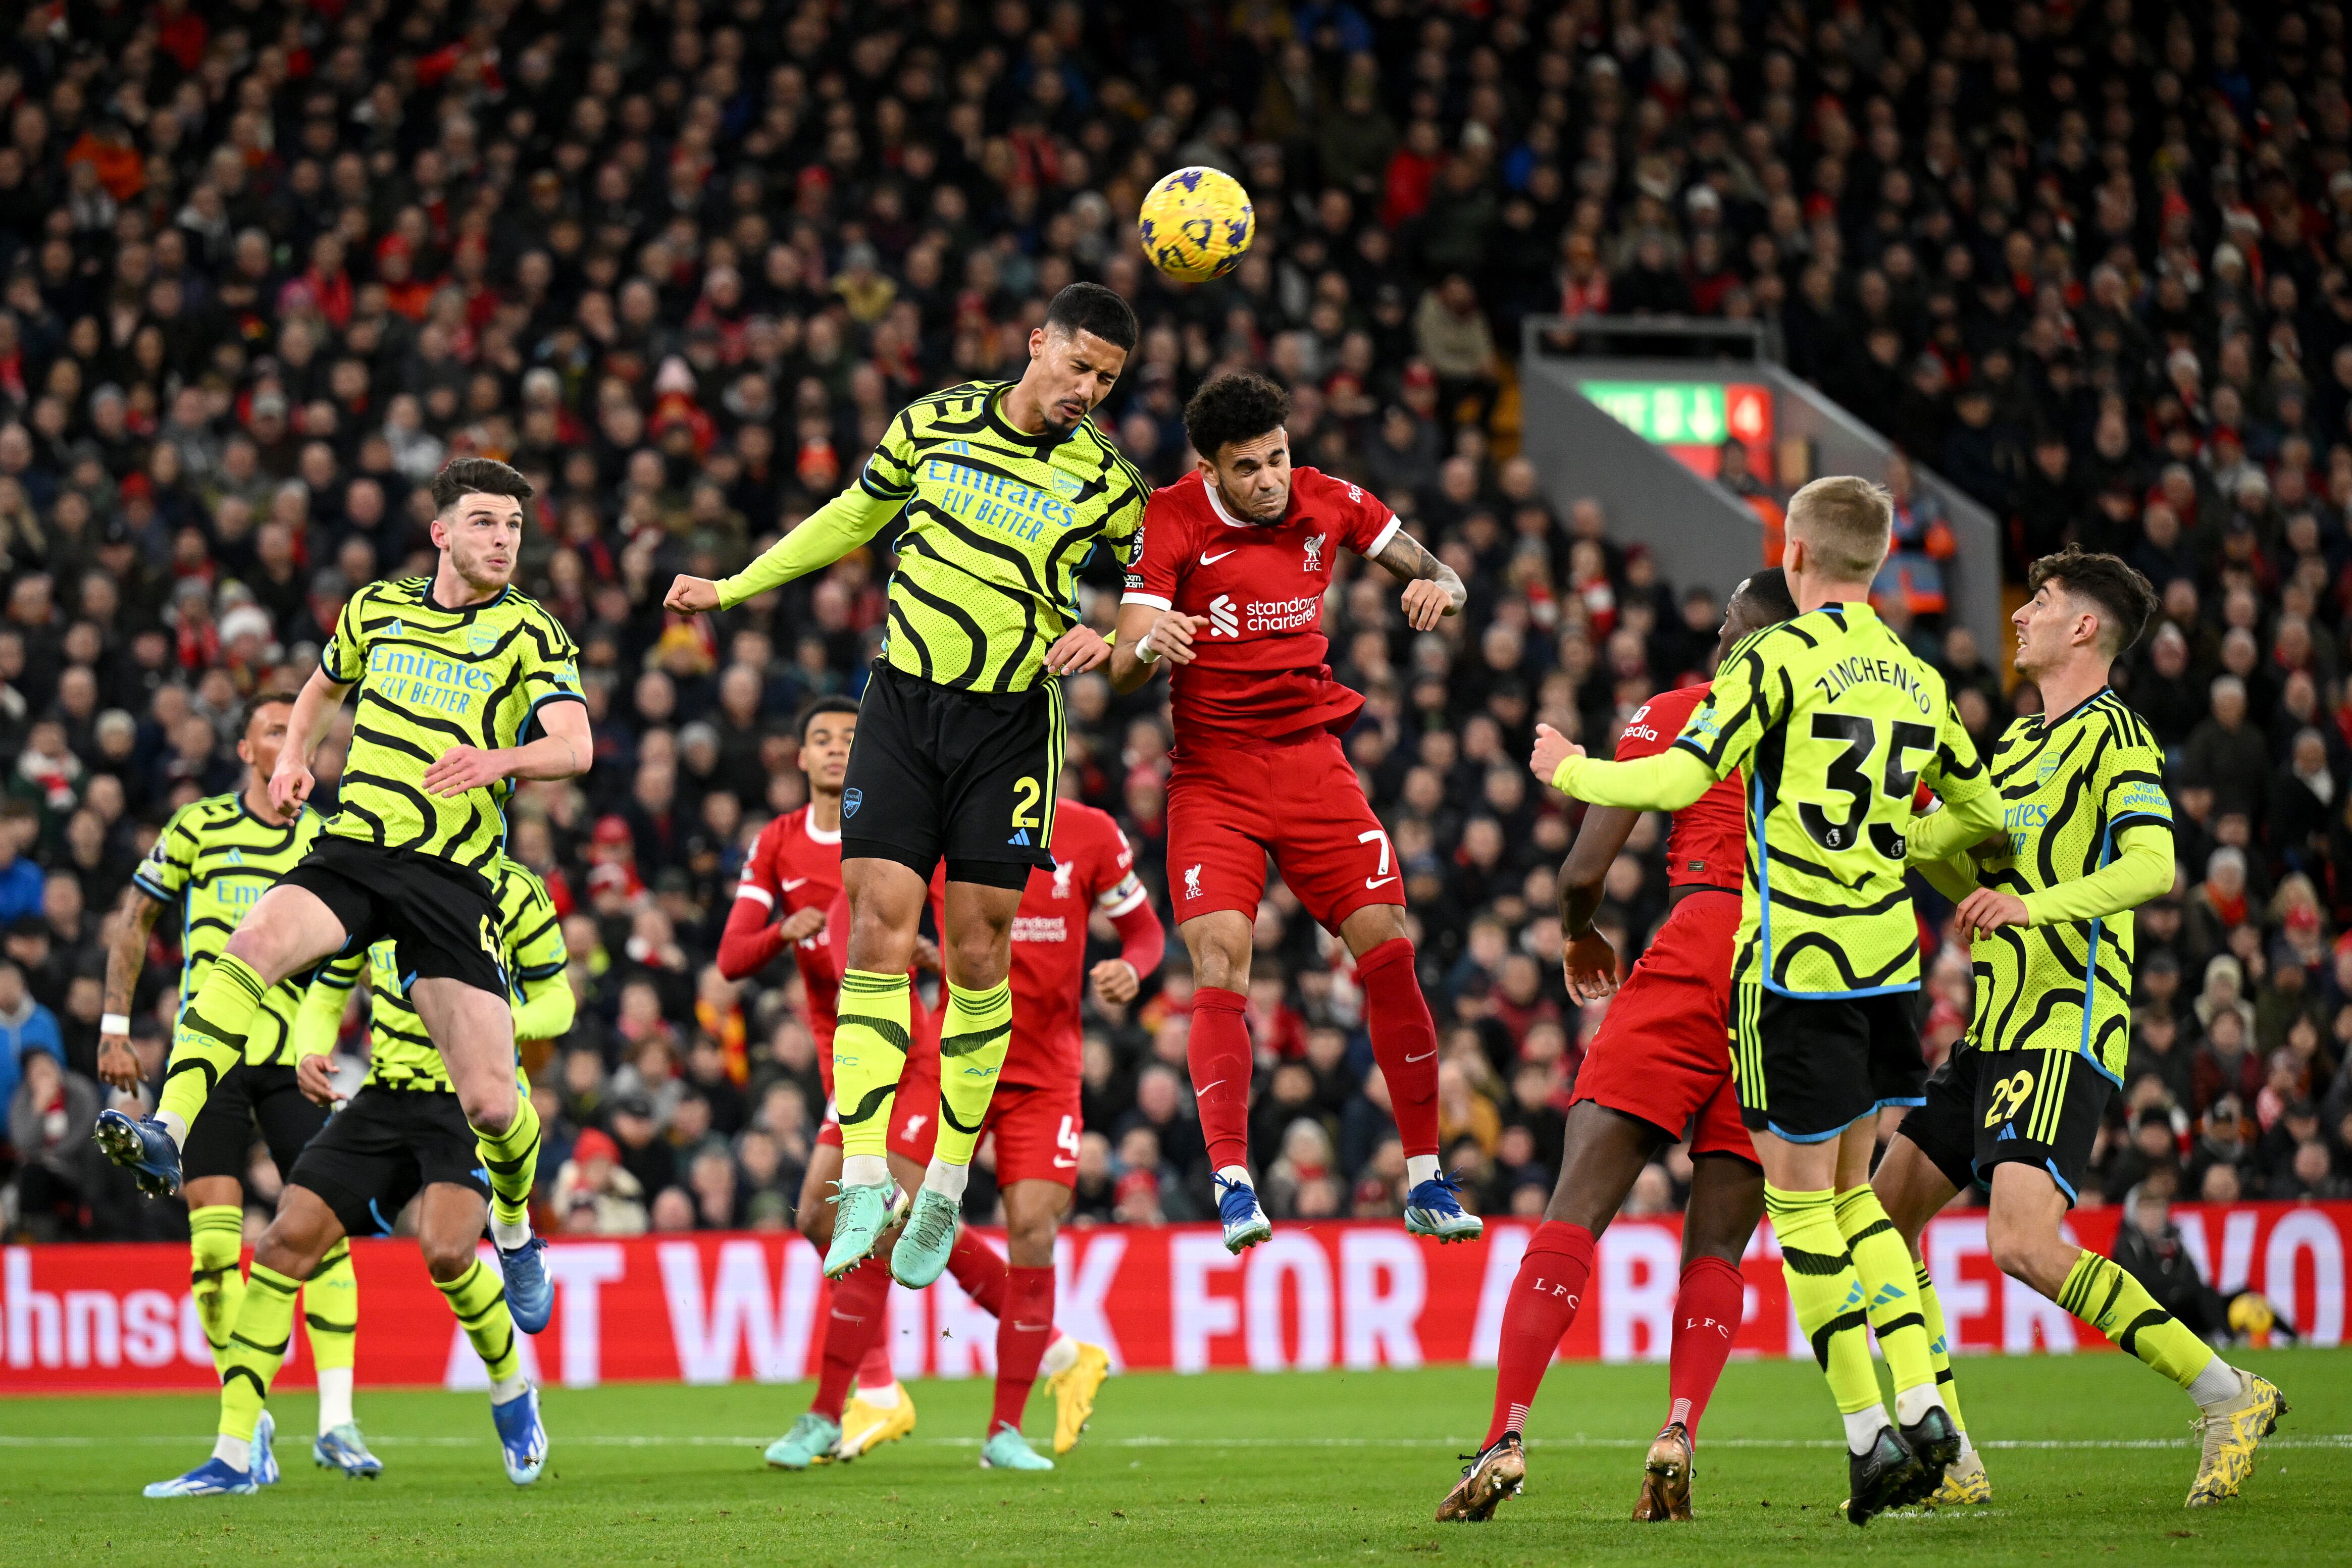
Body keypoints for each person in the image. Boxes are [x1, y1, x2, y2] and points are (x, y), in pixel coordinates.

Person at [1529, 475, 2001, 1524]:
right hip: (1892, 971)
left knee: (1802, 1210)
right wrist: (1937, 858)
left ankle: (1872, 1436)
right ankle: (1925, 1403)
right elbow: (1974, 814)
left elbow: (1668, 781)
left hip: (1789, 966)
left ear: (1794, 554)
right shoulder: (1920, 681)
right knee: (1857, 1200)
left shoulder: (1774, 662)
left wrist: (1570, 769)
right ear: (1878, 561)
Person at [667, 283, 1148, 1289]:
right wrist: (731, 585)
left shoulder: (1109, 481)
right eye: (1078, 365)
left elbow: (1157, 596)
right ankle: (861, 1181)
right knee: (877, 924)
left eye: (1106, 378)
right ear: (1037, 343)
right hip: (901, 705)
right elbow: (850, 516)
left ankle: (943, 1184)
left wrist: (1106, 637)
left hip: (1012, 722)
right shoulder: (932, 424)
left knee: (977, 951)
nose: (1088, 390)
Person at [95, 457, 590, 1331]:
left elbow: (575, 744)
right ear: (441, 533)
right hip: (358, 848)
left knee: (491, 1103)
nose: (502, 539)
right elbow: (324, 687)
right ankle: (168, 1128)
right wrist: (294, 758)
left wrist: (500, 760)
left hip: (452, 878)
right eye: (483, 522)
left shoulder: (531, 633)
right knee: (245, 948)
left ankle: (513, 1228)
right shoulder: (377, 608)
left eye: (513, 525)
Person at [1872, 546, 2285, 1510]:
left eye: (2040, 602)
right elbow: (1941, 852)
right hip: (1989, 1031)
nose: (2019, 616)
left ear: (2084, 628)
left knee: (2019, 1240)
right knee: (1882, 1218)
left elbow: (2152, 867)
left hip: (2062, 1023)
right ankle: (1951, 1457)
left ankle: (2228, 1393)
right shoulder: (2011, 747)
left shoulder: (2117, 738)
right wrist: (1888, 837)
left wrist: (2031, 908)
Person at [1440, 568, 1797, 1525]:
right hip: (1797, 979)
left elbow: (1583, 868)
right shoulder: (1836, 730)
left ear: (1746, 637)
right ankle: (1678, 1428)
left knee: (1574, 1210)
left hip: (1696, 948)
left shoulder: (1684, 710)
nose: (1714, 637)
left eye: (1726, 621)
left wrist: (1579, 930)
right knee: (1719, 1234)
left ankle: (1505, 1434)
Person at [1106, 370, 1477, 1252]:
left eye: (1277, 457)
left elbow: (1442, 573)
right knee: (1222, 960)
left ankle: (1424, 1178)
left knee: (1388, 944)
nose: (1271, 479)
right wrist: (1149, 646)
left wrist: (1441, 590)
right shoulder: (1170, 519)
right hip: (1214, 778)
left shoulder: (1328, 500)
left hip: (1313, 766)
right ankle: (1233, 1183)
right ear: (1210, 469)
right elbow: (1122, 661)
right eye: (1249, 468)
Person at [721, 700, 1113, 1473]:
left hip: (913, 1057)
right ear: (796, 756)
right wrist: (785, 931)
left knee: (861, 1227)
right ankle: (1062, 1352)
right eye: (821, 738)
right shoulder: (782, 842)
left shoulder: (908, 824)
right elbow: (733, 957)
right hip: (852, 1068)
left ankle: (840, 1407)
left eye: (850, 739)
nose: (837, 751)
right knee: (816, 1216)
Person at [141, 853, 572, 1497]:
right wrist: (309, 1048)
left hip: (464, 1102)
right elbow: (330, 984)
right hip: (386, 1094)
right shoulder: (376, 873)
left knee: (448, 1253)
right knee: (283, 1243)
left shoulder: (516, 890)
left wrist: (503, 1022)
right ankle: (235, 1453)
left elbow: (558, 999)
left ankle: (511, 1390)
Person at [92, 692, 361, 1466]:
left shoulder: (326, 836)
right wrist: (115, 1027)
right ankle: (254, 1417)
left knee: (323, 1231)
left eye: (296, 730)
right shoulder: (198, 827)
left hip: (293, 1062)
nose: (287, 740)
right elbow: (136, 919)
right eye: (273, 730)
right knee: (214, 1250)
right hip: (209, 1061)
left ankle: (339, 1419)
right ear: (246, 750)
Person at [916, 798, 1164, 1469]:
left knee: (1032, 1227)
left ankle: (1004, 1430)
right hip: (956, 1055)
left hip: (1043, 1072)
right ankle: (1056, 1349)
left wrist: (1133, 968)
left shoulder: (1091, 830)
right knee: (906, 1208)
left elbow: (1143, 931)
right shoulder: (949, 821)